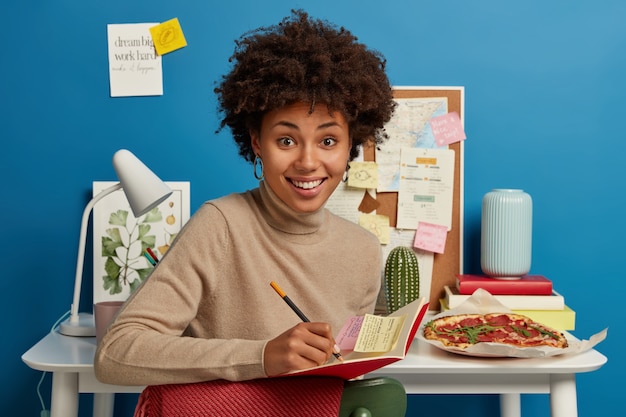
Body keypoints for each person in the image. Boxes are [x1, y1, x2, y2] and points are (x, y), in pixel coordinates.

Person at [94, 9, 395, 386]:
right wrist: (261, 356)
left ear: (351, 145)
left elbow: (343, 376)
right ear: (257, 143)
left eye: (328, 141)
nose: (307, 161)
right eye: (286, 140)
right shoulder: (220, 224)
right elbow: (116, 353)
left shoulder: (364, 250)